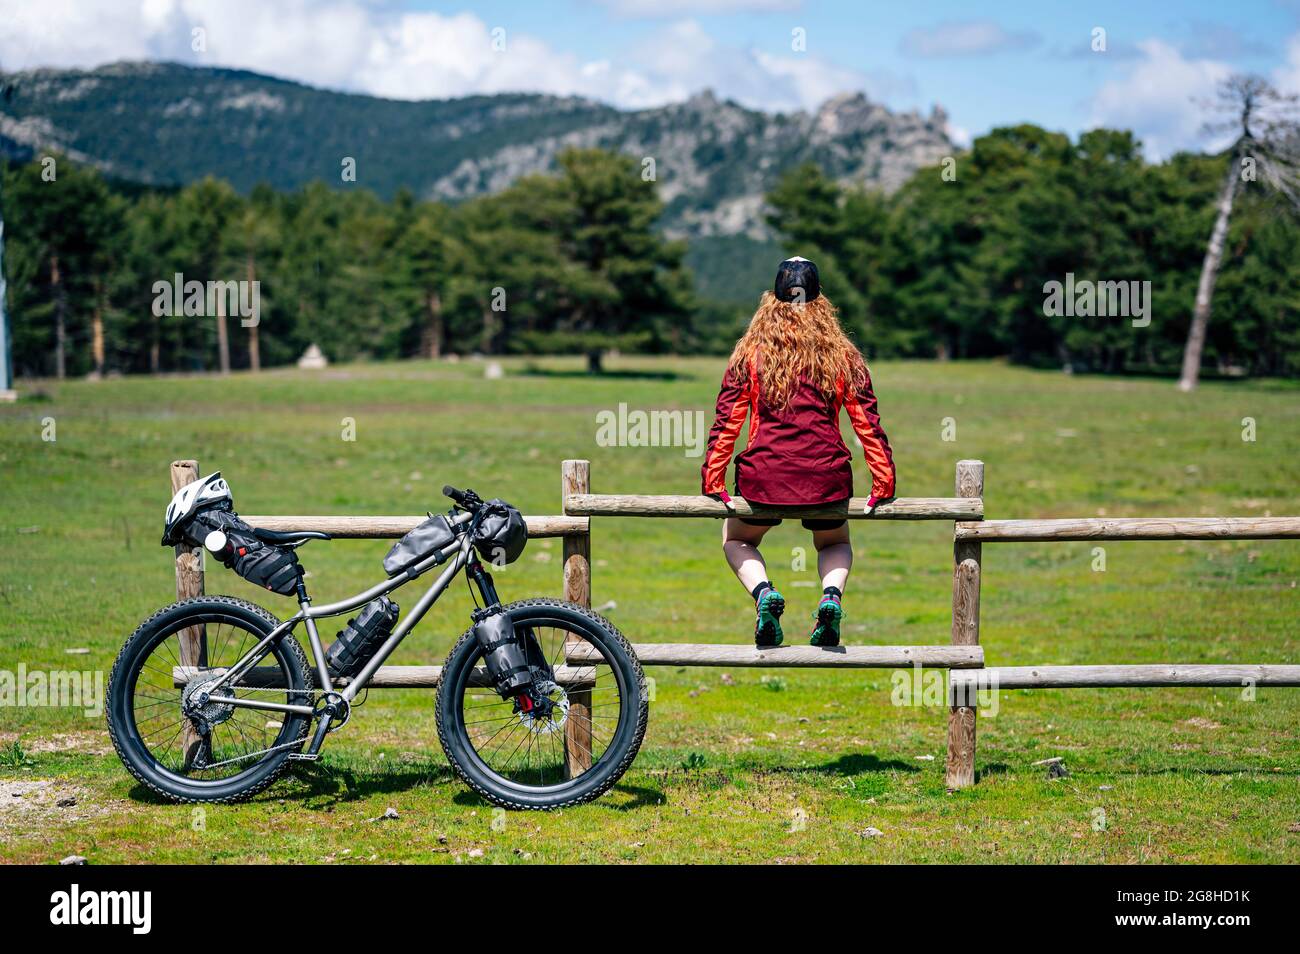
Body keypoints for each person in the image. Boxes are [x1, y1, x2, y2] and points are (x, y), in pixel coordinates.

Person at [701, 257, 895, 648]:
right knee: (834, 542)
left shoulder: (750, 355)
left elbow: (728, 422)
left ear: (771, 299)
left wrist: (714, 480)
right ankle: (830, 597)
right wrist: (883, 482)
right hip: (826, 477)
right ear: (821, 300)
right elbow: (866, 422)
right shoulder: (843, 355)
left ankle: (764, 595)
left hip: (764, 476)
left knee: (737, 540)